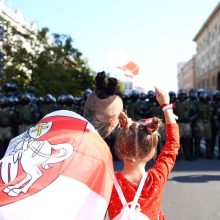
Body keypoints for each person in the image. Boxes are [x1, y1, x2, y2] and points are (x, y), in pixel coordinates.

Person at [107, 86, 180, 220]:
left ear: (118, 149)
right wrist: (166, 106)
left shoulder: (107, 182)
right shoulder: (156, 179)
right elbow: (172, 144)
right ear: (152, 153)